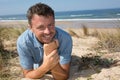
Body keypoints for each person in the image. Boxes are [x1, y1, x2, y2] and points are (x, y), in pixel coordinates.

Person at [17, 2, 72, 80]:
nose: (48, 32)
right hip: (38, 66)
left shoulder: (65, 38)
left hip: (59, 64)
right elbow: (27, 75)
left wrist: (50, 52)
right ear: (31, 28)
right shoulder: (23, 42)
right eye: (41, 27)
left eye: (50, 25)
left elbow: (63, 77)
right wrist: (46, 66)